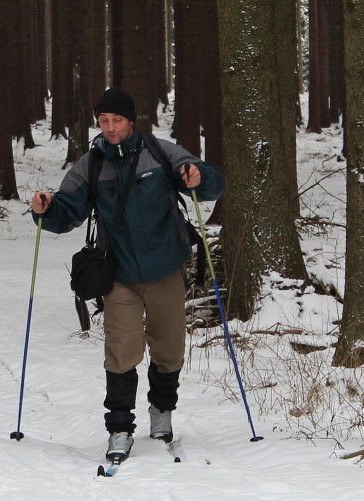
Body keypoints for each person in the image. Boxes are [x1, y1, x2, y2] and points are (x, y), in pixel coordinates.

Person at [31, 87, 225, 462]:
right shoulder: (91, 164)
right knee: (121, 351)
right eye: (103, 121)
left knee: (169, 349)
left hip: (166, 268)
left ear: (131, 121)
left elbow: (211, 182)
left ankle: (162, 409)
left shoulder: (160, 151)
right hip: (118, 275)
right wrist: (45, 208)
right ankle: (119, 429)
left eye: (116, 120)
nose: (110, 127)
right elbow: (66, 208)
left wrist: (199, 177)